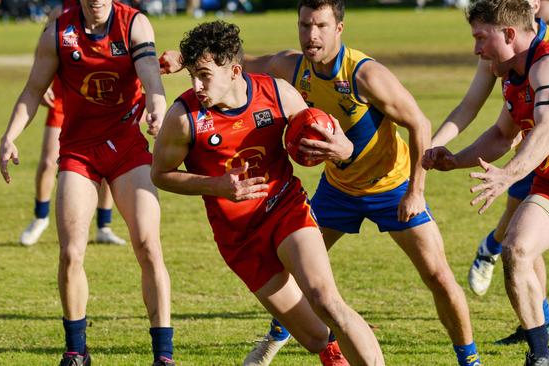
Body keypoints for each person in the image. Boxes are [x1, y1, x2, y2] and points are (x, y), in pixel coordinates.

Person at [160, 1, 481, 365]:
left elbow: (420, 124)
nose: (311, 35)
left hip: (388, 185)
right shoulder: (289, 67)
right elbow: (234, 66)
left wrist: (415, 191)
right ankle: (287, 331)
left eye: (321, 26)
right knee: (311, 300)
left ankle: (469, 360)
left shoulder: (363, 75)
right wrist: (183, 60)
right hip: (337, 189)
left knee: (431, 276)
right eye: (304, 25)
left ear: (339, 29)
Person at [152, 20, 384, 365]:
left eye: (204, 75)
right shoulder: (184, 118)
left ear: (234, 71)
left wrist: (343, 147)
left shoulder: (276, 94)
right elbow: (160, 174)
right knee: (316, 336)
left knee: (326, 300)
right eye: (192, 76)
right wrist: (215, 186)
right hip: (239, 239)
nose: (197, 85)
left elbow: (320, 131)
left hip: (284, 209)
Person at [423, 0, 549, 364]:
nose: (476, 48)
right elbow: (500, 135)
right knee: (515, 249)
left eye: (480, 38)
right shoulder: (512, 73)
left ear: (509, 34)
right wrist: (454, 160)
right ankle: (541, 356)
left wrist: (508, 175)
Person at [0, 0, 174, 364]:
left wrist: (157, 107)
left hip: (127, 148)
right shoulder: (57, 32)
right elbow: (33, 90)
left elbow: (151, 77)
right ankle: (76, 350)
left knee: (148, 245)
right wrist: (9, 135)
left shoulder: (134, 24)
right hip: (80, 152)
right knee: (71, 252)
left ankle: (164, 355)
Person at [20, 0, 126, 247]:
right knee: (48, 160)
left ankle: (104, 225)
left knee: (109, 162)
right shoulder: (62, 11)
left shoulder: (116, 12)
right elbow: (43, 48)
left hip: (101, 100)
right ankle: (40, 217)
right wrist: (42, 83)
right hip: (64, 98)